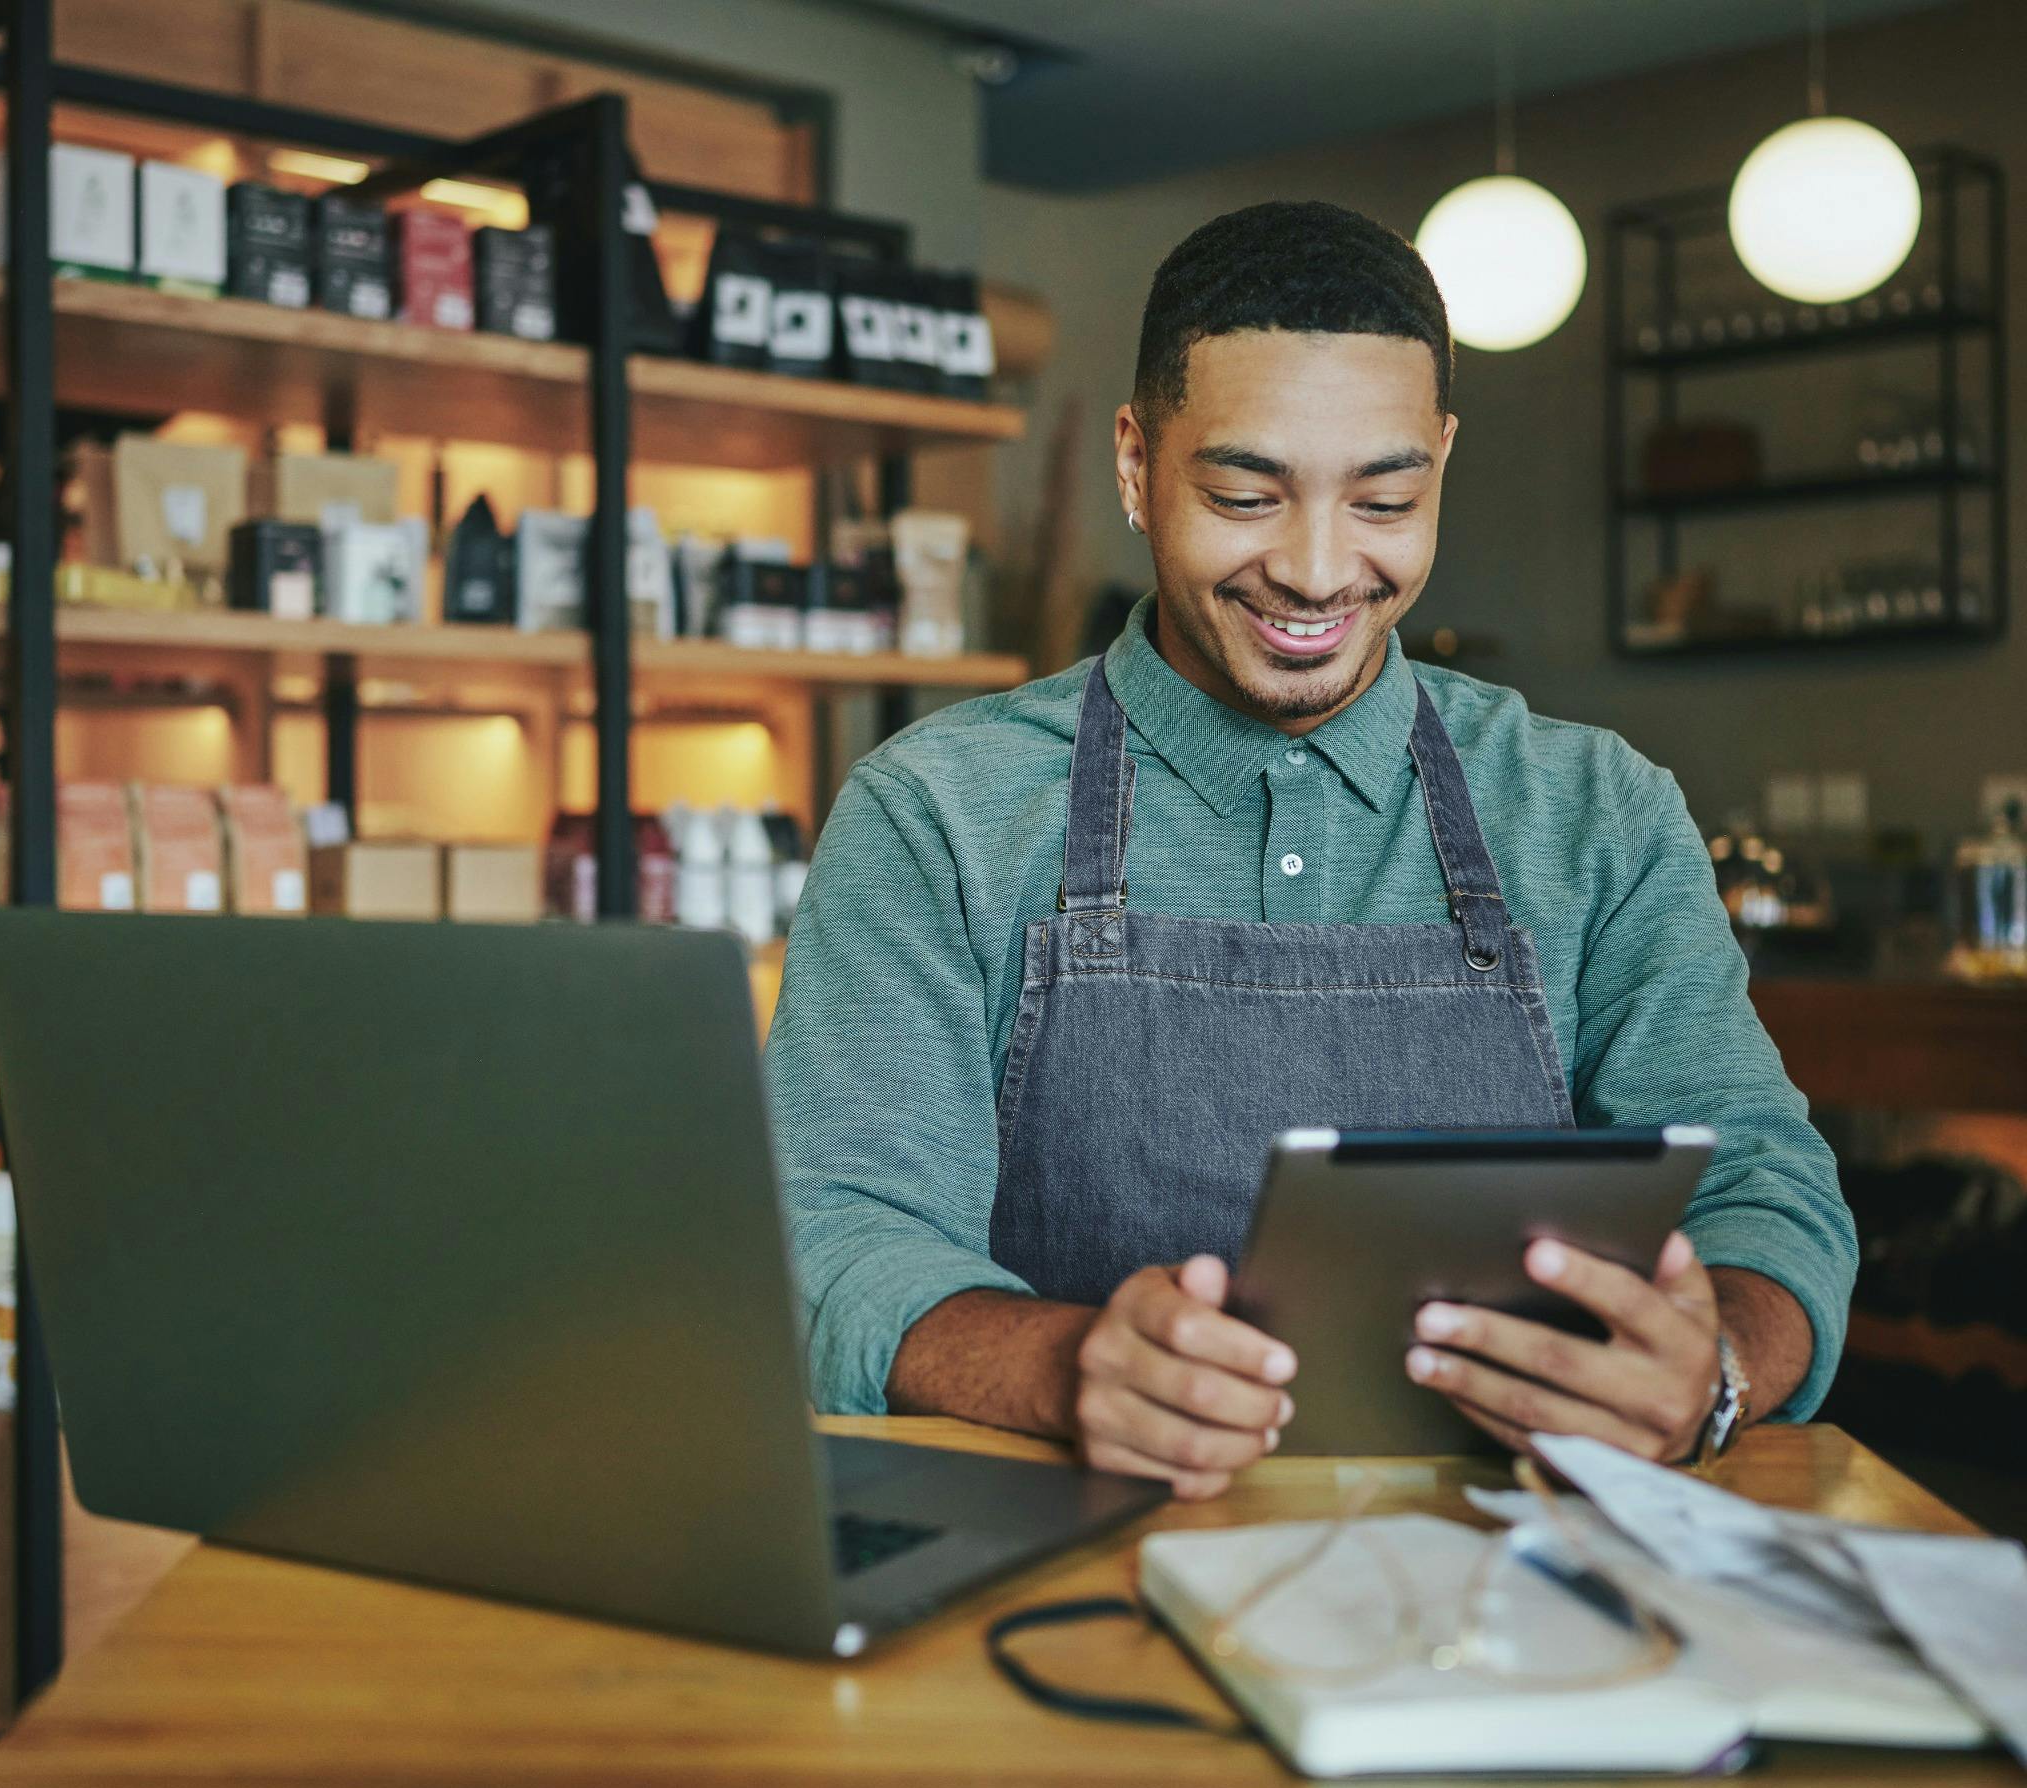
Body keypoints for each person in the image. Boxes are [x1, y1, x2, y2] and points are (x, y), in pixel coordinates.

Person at [765, 200, 1853, 1497]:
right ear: (1135, 462)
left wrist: (1711, 1367)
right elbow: (832, 1241)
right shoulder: (935, 815)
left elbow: (1768, 1199)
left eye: (1385, 498)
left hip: (1507, 1607)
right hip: (1060, 1590)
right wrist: (1063, 1366)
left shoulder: (1598, 813)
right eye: (1243, 493)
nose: (1319, 570)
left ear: (1442, 462)